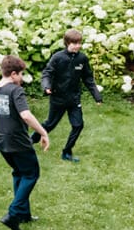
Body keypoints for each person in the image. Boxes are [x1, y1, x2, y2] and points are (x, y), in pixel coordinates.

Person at [0, 55, 49, 230]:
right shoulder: (15, 91)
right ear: (14, 74)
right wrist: (42, 132)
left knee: (19, 173)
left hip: (1, 140)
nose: (22, 78)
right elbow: (25, 115)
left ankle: (24, 213)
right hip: (17, 140)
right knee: (31, 173)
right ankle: (13, 214)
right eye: (21, 74)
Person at [35, 28, 102, 162]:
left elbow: (88, 78)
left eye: (79, 43)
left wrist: (97, 96)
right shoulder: (58, 57)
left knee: (78, 125)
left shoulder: (82, 59)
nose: (77, 46)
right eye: (74, 43)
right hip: (58, 98)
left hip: (73, 99)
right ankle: (30, 141)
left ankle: (67, 152)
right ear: (67, 43)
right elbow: (47, 73)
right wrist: (47, 86)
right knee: (50, 124)